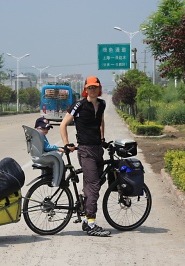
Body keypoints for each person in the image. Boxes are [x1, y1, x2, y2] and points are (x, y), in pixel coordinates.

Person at [60, 76, 110, 237]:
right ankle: (91, 223)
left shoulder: (102, 104)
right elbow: (63, 124)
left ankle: (86, 206)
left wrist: (102, 138)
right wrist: (67, 143)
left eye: (95, 87)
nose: (92, 90)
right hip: (85, 150)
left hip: (98, 149)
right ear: (85, 89)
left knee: (98, 182)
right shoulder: (78, 105)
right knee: (94, 184)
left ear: (99, 88)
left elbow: (101, 120)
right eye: (90, 87)